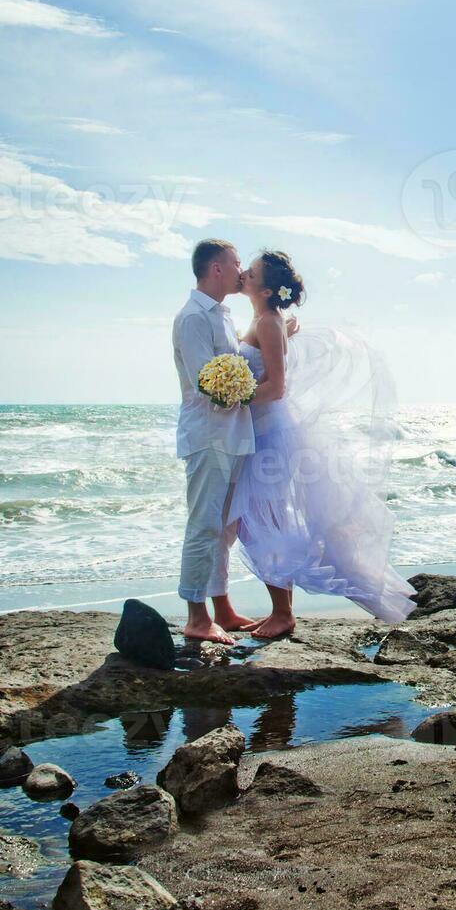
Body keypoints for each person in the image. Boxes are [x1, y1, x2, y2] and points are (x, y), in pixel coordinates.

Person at [227, 248, 417, 637]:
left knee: (266, 522)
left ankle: (283, 613)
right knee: (259, 522)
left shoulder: (266, 322)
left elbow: (276, 387)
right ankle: (281, 609)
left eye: (253, 271)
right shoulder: (267, 320)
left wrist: (233, 396)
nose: (244, 272)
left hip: (269, 438)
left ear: (265, 290)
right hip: (264, 433)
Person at [171, 238, 258, 644]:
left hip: (232, 434)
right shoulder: (192, 317)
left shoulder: (221, 314)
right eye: (236, 262)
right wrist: (262, 387)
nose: (242, 270)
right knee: (204, 524)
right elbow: (208, 381)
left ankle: (222, 607)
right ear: (216, 268)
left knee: (226, 528)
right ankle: (195, 616)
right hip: (208, 436)